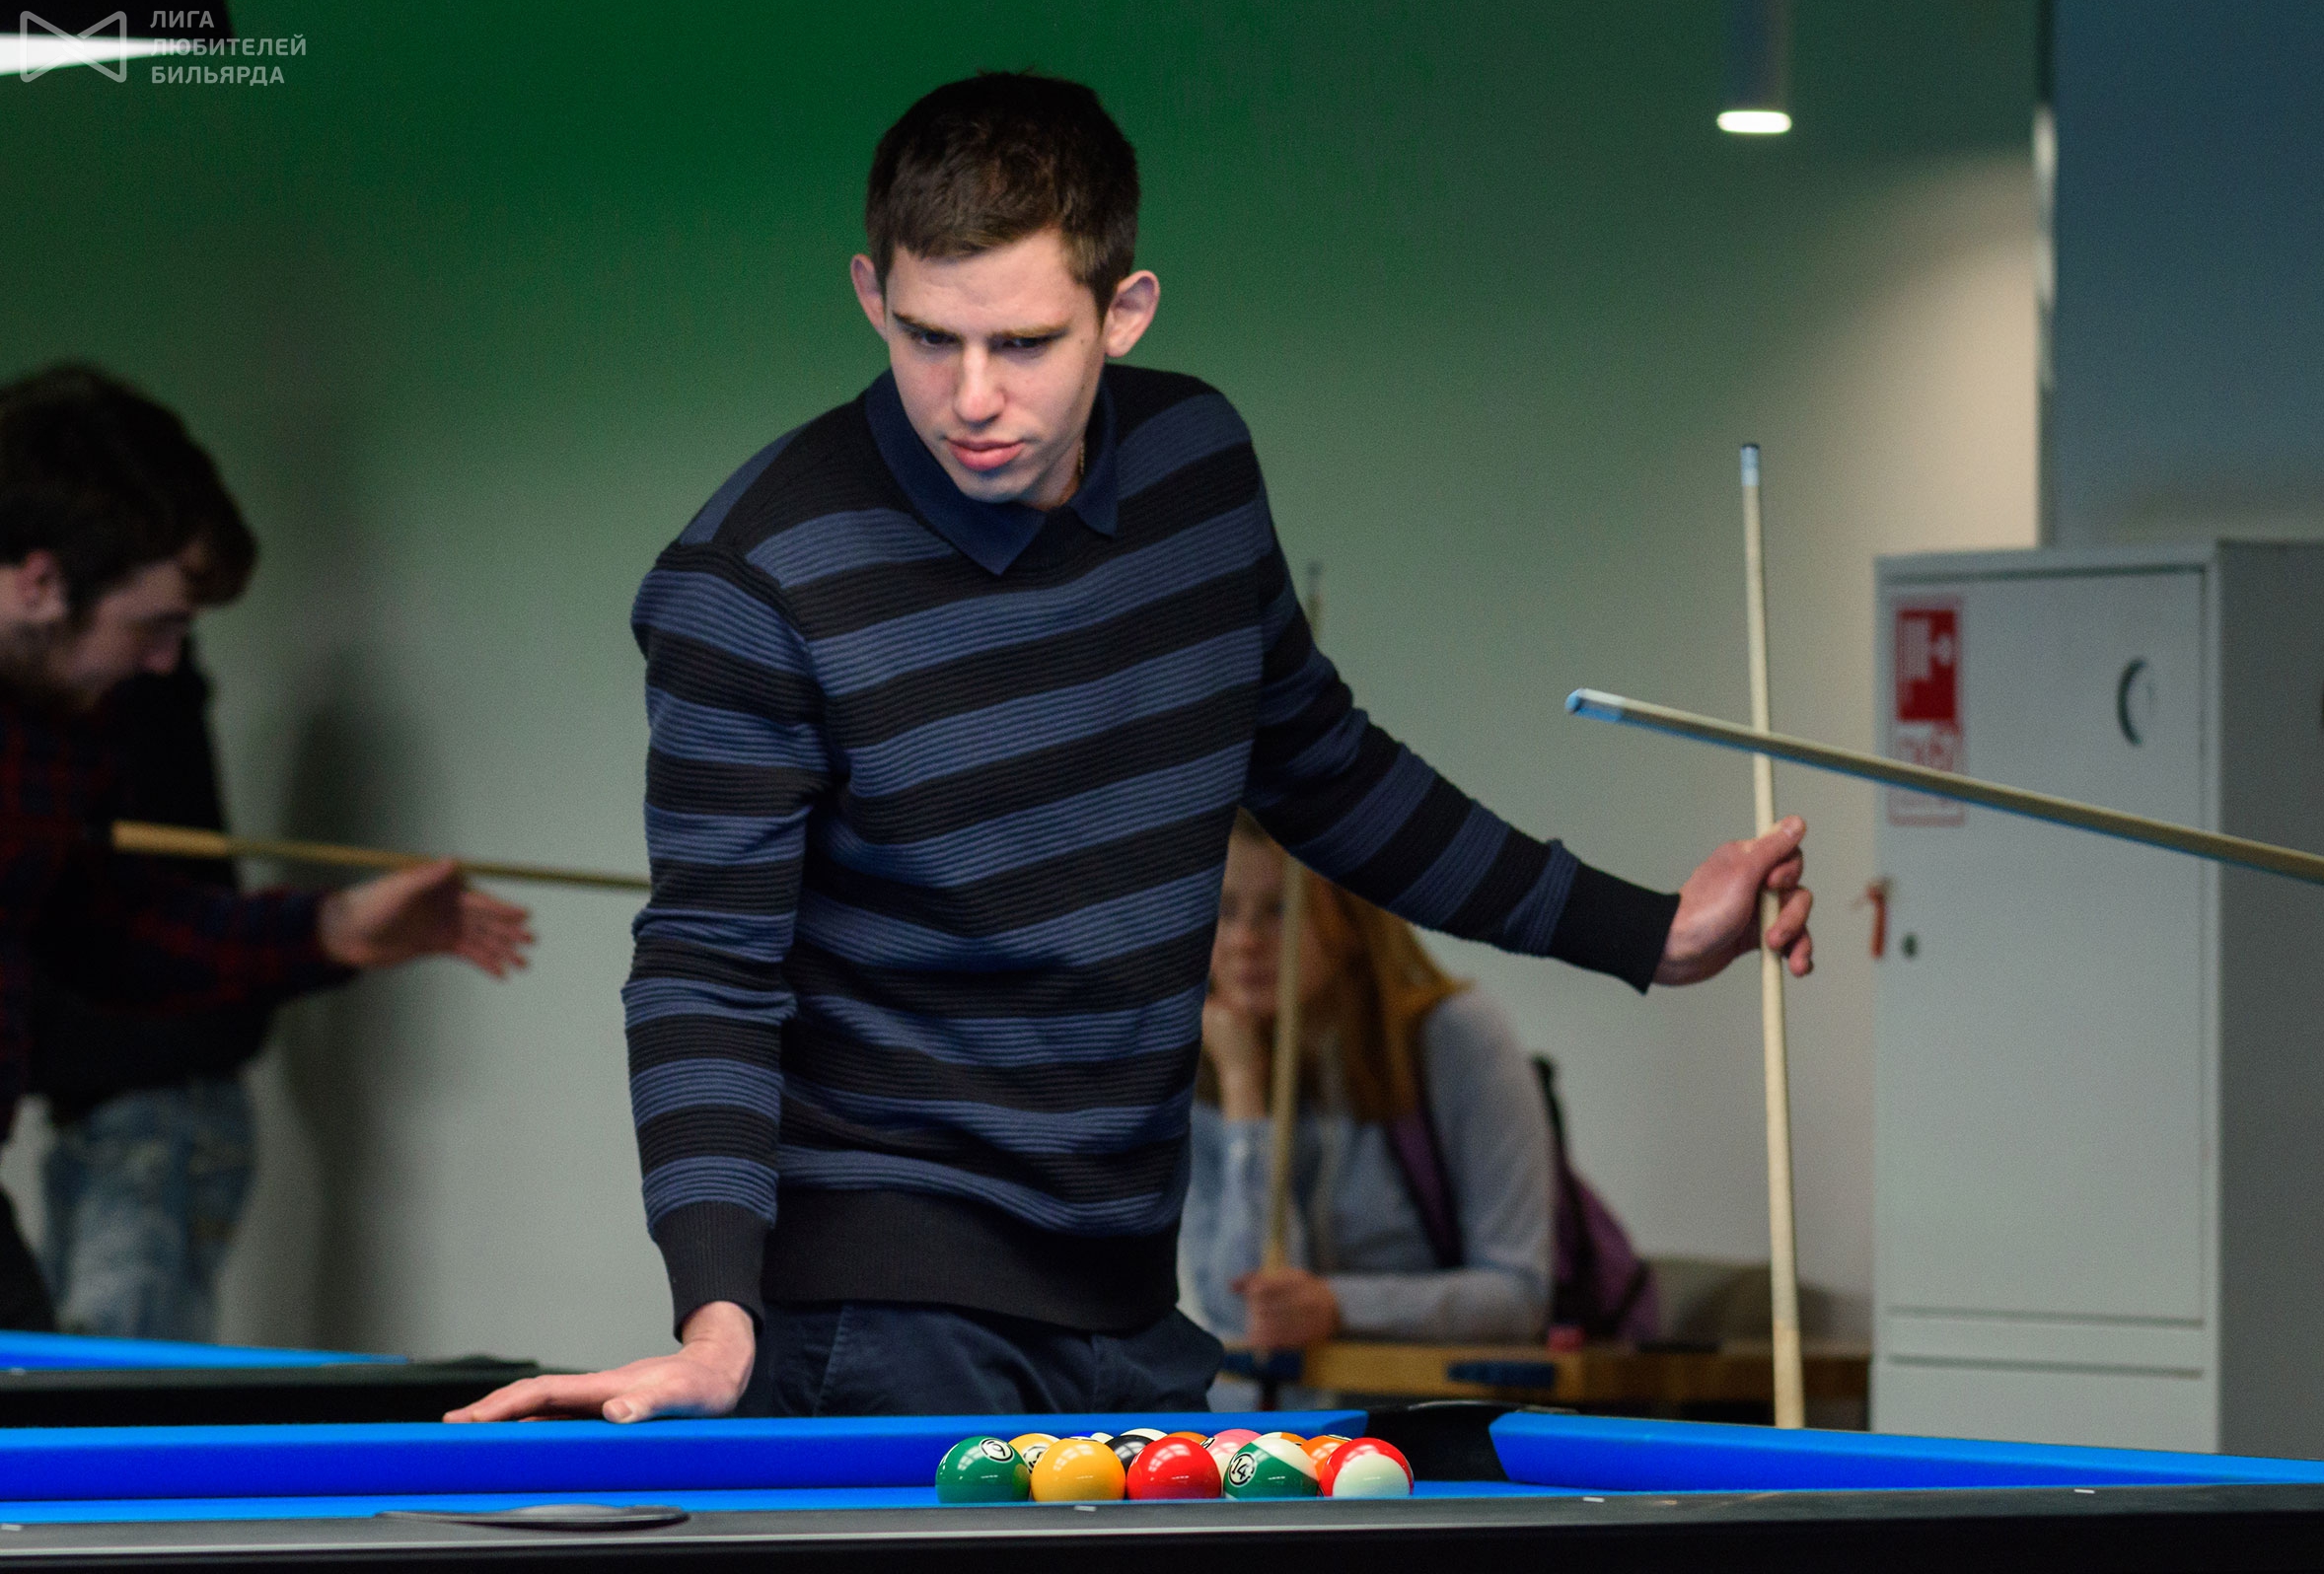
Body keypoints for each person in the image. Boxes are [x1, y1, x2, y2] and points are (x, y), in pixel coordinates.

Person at [451, 71, 1810, 1425]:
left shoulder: (1193, 467)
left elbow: (1326, 768)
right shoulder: (753, 579)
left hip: (1129, 1295)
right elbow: (707, 965)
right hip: (874, 1312)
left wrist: (1648, 932)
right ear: (871, 294)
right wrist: (715, 1313)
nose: (971, 396)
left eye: (1024, 343)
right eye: (928, 338)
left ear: (1125, 310)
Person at [0, 363, 536, 1330]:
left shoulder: (61, 724)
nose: (166, 663)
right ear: (40, 582)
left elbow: (106, 926)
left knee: (60, 1409)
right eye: (155, 626)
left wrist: (332, 929)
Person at [1185, 812, 1556, 1347]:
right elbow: (1243, 1311)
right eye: (1223, 910)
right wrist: (1243, 1091)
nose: (1243, 940)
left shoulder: (1455, 1038)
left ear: (1351, 918)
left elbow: (1519, 1293)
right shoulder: (1217, 1061)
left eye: (1279, 910)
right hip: (1276, 1403)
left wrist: (1338, 1306)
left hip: (1421, 1396)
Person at [33, 642, 273, 1340]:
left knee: (118, 1379)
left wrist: (330, 929)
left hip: (159, 1097)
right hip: (100, 1099)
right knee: (62, 1368)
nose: (162, 653)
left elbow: (151, 920)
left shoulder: (138, 701)